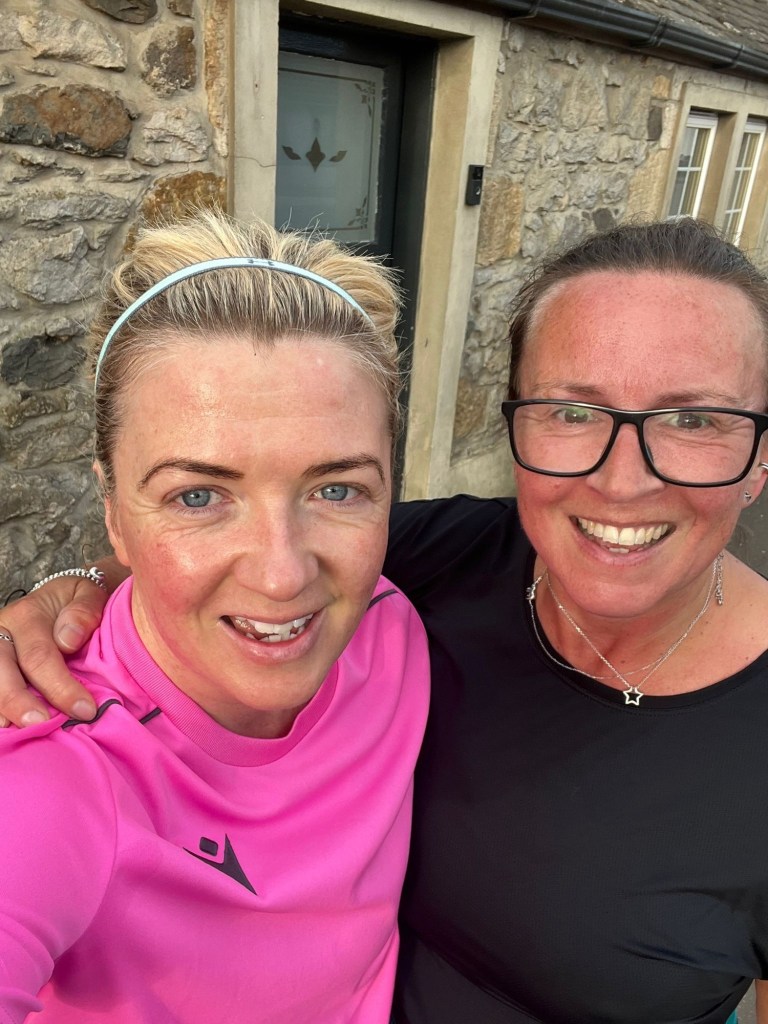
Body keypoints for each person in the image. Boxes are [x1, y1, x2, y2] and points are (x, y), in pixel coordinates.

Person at [2, 218, 768, 1024]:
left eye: (695, 421)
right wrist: (71, 586)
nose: (282, 574)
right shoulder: (443, 570)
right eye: (572, 411)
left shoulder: (387, 616)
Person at [0, 211, 430, 1022]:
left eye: (337, 489)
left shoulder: (390, 628)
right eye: (198, 496)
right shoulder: (54, 764)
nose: (281, 574)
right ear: (112, 510)